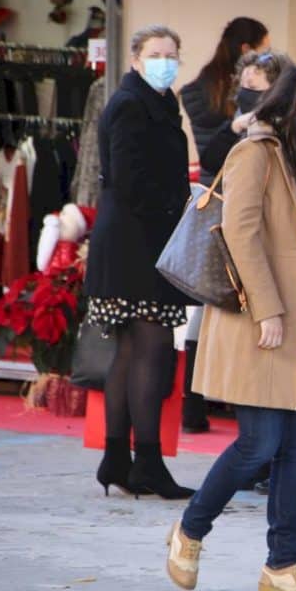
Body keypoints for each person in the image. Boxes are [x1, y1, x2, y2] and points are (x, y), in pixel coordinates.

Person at [165, 63, 296, 591]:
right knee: (259, 445)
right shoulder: (254, 154)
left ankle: (283, 565)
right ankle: (190, 531)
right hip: (267, 322)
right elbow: (242, 232)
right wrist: (268, 309)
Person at [84, 25, 194, 500]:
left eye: (172, 54)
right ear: (134, 58)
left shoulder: (159, 103)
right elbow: (130, 180)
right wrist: (179, 206)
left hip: (137, 241)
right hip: (137, 243)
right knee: (152, 348)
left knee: (133, 350)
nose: (164, 61)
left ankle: (117, 458)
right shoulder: (131, 104)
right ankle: (144, 461)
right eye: (155, 53)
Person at [179, 20, 272, 434]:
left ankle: (195, 401)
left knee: (210, 301)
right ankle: (198, 400)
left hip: (216, 203)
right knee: (217, 300)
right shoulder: (221, 100)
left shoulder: (204, 91)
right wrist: (237, 125)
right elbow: (213, 153)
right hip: (223, 205)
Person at [180, 17, 269, 185]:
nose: (267, 58)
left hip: (213, 186)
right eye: (264, 51)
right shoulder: (244, 96)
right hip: (234, 185)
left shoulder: (201, 87)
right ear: (246, 49)